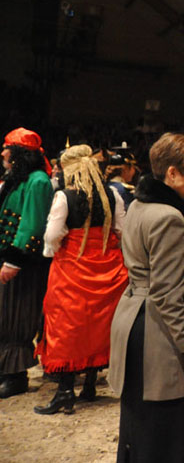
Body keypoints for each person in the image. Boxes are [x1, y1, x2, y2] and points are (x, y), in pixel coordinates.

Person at [109, 133, 184, 462]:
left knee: (138, 429)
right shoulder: (168, 217)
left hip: (134, 320)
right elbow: (167, 294)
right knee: (164, 433)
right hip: (159, 333)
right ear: (172, 173)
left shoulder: (140, 204)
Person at [34, 145, 128, 415]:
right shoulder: (111, 194)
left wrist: (52, 252)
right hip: (107, 267)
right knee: (98, 325)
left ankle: (65, 391)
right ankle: (89, 384)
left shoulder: (65, 196)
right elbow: (122, 230)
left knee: (67, 327)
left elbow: (52, 235)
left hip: (72, 269)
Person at [0, 128, 54, 399]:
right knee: (3, 314)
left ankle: (16, 375)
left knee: (16, 317)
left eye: (6, 148)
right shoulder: (17, 179)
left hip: (24, 263)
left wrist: (14, 260)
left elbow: (31, 224)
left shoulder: (37, 181)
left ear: (19, 154)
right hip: (8, 256)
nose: (2, 153)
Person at [105, 146, 138, 210]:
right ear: (125, 169)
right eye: (133, 168)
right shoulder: (126, 190)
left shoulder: (105, 186)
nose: (134, 171)